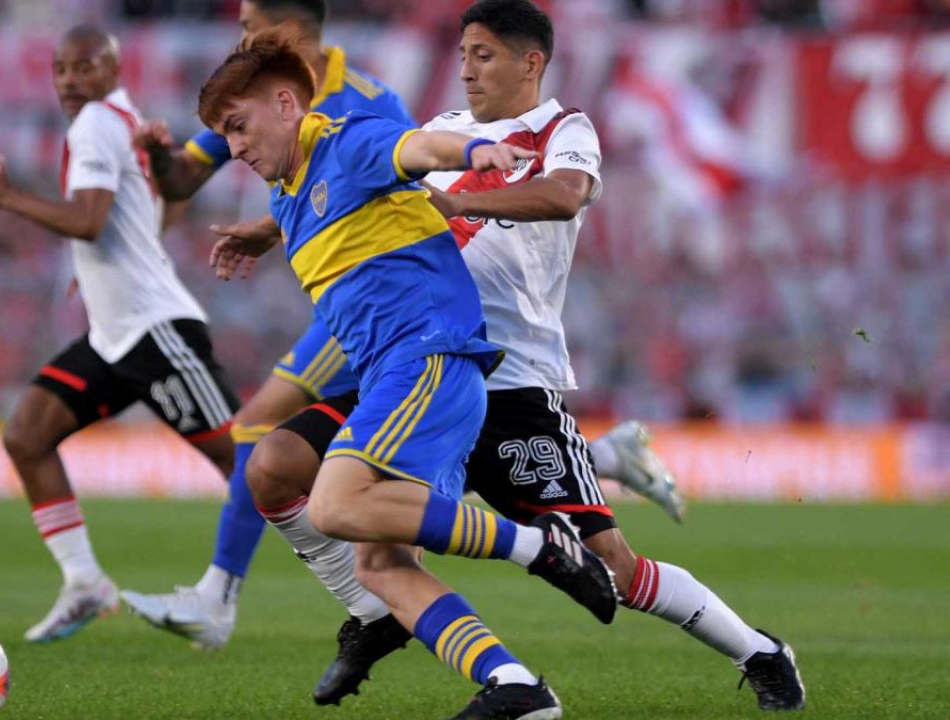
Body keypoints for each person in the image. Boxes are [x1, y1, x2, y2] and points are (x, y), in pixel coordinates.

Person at [226, 1, 806, 714]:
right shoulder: (441, 132)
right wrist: (265, 227)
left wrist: (462, 199)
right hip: (408, 359)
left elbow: (564, 197)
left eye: (485, 55)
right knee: (279, 468)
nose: (466, 69)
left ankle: (759, 650)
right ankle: (397, 628)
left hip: (514, 380)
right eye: (464, 53)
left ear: (531, 62)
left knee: (613, 569)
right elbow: (349, 181)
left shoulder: (564, 130)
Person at [123, 0, 684, 655]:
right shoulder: (248, 103)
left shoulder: (357, 97)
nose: (243, 39)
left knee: (285, 446)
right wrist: (192, 179)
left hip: (412, 312)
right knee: (302, 460)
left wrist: (476, 161)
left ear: (286, 30)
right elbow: (187, 180)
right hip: (362, 308)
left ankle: (242, 593)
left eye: (252, 28)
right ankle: (596, 468)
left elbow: (406, 166)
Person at [199, 27, 622, 719]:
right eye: (224, 135)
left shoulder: (348, 137)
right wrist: (264, 231)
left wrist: (480, 150)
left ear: (285, 104)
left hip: (429, 357)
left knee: (335, 505)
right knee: (370, 555)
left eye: (238, 127)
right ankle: (518, 688)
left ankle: (539, 545)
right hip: (389, 373)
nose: (234, 147)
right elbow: (330, 201)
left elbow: (418, 149)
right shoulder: (286, 193)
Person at [0, 25, 241, 644]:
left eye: (83, 67)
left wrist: (9, 198)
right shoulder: (123, 119)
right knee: (27, 434)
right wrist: (96, 278)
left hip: (154, 328)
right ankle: (85, 582)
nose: (69, 80)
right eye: (60, 69)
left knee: (249, 465)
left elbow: (88, 222)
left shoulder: (96, 121)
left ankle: (362, 572)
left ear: (112, 68)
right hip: (113, 335)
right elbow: (156, 210)